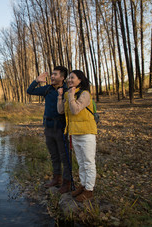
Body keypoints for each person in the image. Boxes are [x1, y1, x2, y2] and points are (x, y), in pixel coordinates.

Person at [27, 66, 71, 194]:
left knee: (65, 156)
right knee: (54, 155)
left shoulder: (67, 91)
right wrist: (36, 80)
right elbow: (30, 91)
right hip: (48, 127)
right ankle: (56, 178)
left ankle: (66, 182)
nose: (52, 76)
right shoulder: (47, 89)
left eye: (55, 74)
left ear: (62, 77)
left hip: (61, 128)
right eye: (51, 74)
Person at [57, 70, 97, 202]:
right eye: (68, 78)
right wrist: (60, 96)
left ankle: (89, 190)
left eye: (72, 78)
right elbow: (61, 111)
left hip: (86, 133)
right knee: (81, 162)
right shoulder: (69, 93)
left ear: (80, 80)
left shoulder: (85, 94)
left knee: (88, 162)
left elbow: (75, 110)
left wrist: (71, 96)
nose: (69, 80)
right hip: (74, 133)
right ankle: (83, 185)